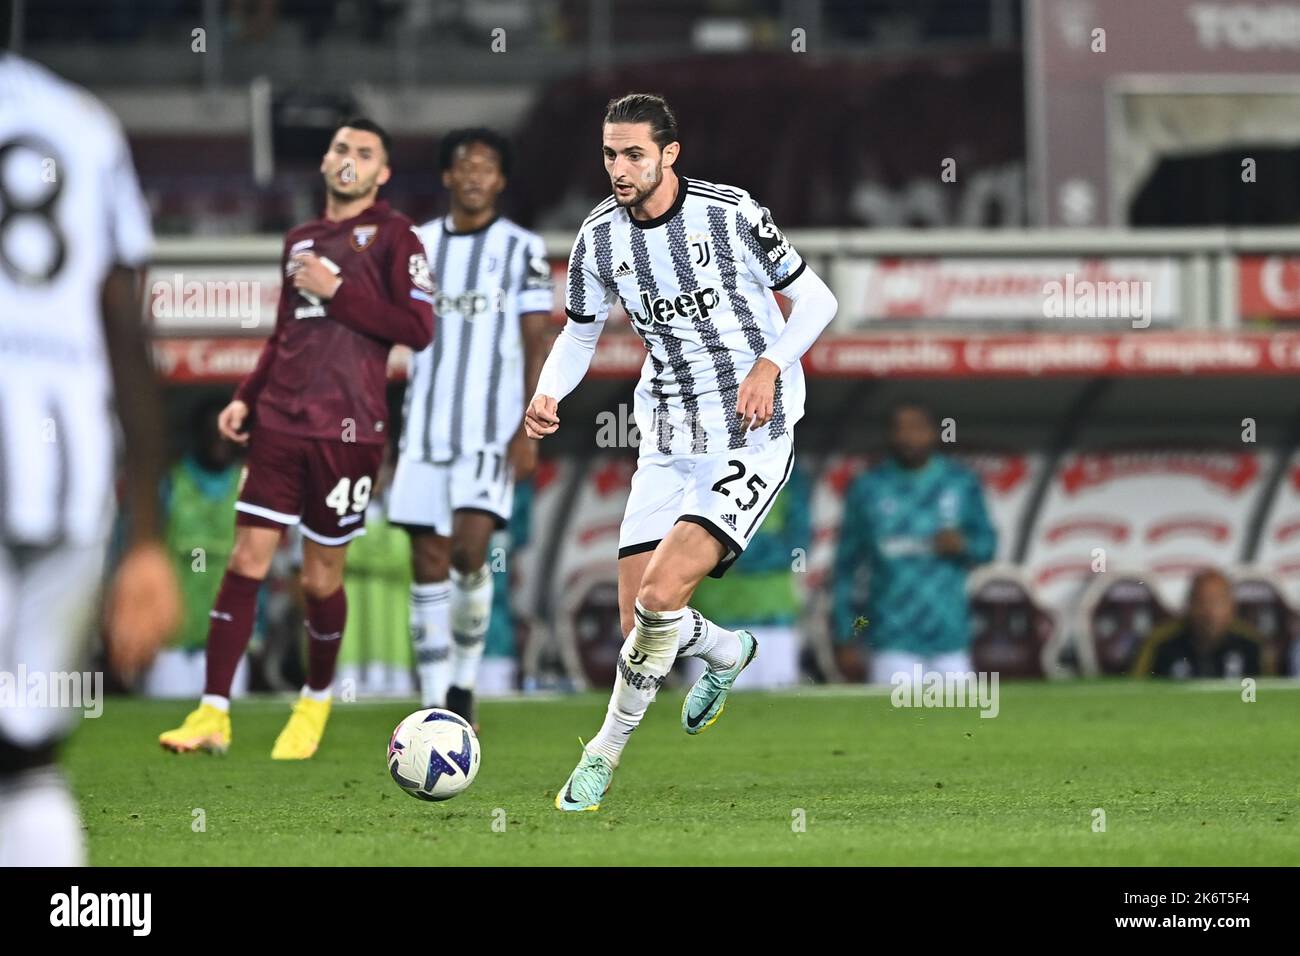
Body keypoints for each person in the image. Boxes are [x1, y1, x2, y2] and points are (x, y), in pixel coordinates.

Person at [525, 93, 838, 811]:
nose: (619, 167)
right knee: (640, 619)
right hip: (666, 437)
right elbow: (578, 332)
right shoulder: (598, 238)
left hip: (750, 434)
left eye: (634, 152)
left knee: (664, 597)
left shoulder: (730, 214)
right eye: (610, 153)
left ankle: (601, 756)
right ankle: (727, 652)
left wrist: (768, 367)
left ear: (670, 153)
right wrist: (549, 394)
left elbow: (817, 301)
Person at [159, 118, 434, 759]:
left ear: (381, 173)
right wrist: (246, 399)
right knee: (246, 560)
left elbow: (418, 329)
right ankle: (212, 713)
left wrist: (337, 291)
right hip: (281, 423)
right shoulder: (301, 239)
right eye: (342, 148)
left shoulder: (397, 238)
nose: (350, 159)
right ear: (325, 162)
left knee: (318, 580)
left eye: (365, 153)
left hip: (350, 431)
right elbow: (285, 332)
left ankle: (313, 702)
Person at [0, 51, 181, 865]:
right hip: (67, 478)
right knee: (27, 754)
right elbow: (126, 332)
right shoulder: (83, 122)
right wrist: (147, 539)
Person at [388, 128, 552, 727]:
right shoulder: (417, 245)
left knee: (468, 552)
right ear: (449, 178)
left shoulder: (522, 248)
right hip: (424, 432)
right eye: (465, 165)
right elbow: (393, 337)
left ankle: (462, 683)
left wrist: (529, 427)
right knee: (426, 560)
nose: (476, 175)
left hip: (490, 430)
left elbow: (538, 340)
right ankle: (434, 700)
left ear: (500, 181)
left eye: (487, 166)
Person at [833, 400, 996, 684]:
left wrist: (964, 545)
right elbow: (846, 566)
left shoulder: (959, 482)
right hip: (892, 638)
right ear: (889, 435)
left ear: (934, 433)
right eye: (900, 429)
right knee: (893, 727)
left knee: (963, 727)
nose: (908, 437)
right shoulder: (868, 487)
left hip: (950, 637)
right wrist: (845, 635)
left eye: (917, 428)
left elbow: (988, 547)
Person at [143, 396, 248, 698]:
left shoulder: (249, 487)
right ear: (195, 434)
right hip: (169, 640)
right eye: (211, 430)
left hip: (229, 640)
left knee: (227, 736)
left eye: (226, 431)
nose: (219, 440)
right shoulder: (170, 485)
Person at [1133, 569, 1270, 679]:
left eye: (1217, 602)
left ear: (1232, 606)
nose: (1209, 611)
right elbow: (1135, 689)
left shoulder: (1251, 644)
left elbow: (1270, 692)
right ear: (1189, 605)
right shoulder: (1161, 643)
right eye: (1202, 602)